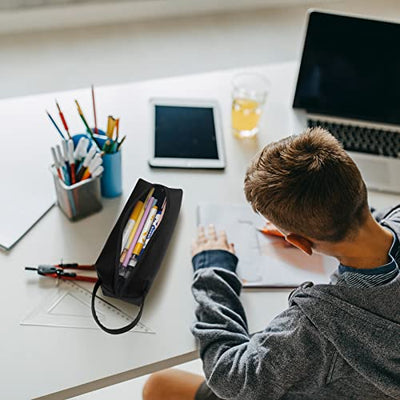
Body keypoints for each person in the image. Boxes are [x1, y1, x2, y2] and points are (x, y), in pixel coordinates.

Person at [143, 127, 400, 400]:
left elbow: (231, 377)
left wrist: (212, 270)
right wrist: (317, 227)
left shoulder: (316, 330)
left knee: (159, 385)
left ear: (300, 244)